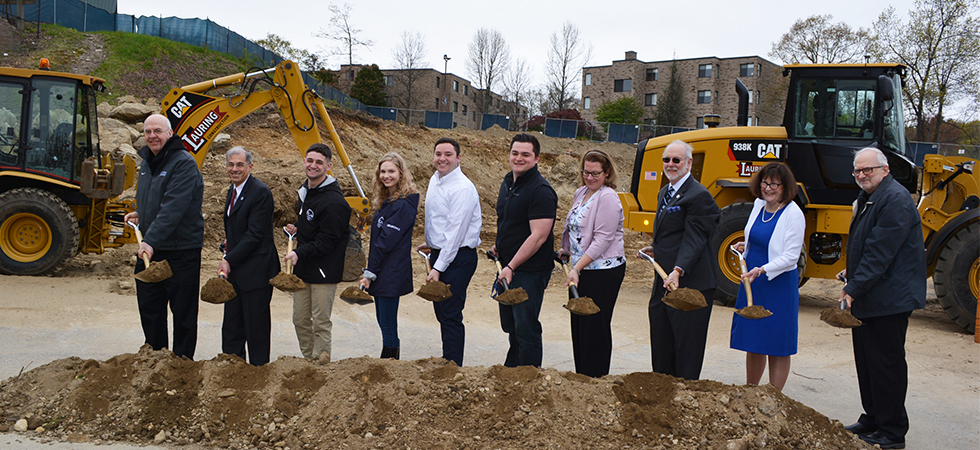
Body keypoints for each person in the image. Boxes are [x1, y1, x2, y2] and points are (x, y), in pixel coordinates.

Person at [838, 147, 925, 449]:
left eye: (868, 170)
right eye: (857, 171)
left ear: (885, 170)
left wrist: (853, 288)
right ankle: (873, 417)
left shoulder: (895, 200)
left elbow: (880, 253)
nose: (861, 175)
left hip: (889, 299)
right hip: (873, 295)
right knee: (868, 361)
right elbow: (869, 245)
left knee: (885, 364)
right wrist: (852, 272)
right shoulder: (871, 198)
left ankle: (891, 431)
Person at [123, 113, 204, 359]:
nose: (152, 136)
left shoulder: (183, 163)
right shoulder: (148, 161)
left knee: (183, 313)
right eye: (147, 132)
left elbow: (173, 208)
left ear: (170, 133)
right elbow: (154, 198)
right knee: (150, 309)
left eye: (157, 131)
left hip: (181, 250)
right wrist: (141, 213)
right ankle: (156, 358)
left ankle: (182, 364)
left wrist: (149, 240)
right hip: (154, 248)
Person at [640, 139, 720, 380]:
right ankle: (663, 390)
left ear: (689, 162)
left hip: (690, 282)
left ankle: (685, 395)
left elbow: (695, 238)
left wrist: (678, 269)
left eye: (676, 160)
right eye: (667, 159)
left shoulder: (699, 196)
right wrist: (656, 248)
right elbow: (674, 233)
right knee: (662, 339)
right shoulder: (665, 191)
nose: (671, 164)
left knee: (686, 347)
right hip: (665, 281)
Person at [729, 162, 805, 391]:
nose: (768, 188)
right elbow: (760, 238)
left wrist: (762, 270)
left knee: (777, 340)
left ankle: (774, 395)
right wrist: (747, 245)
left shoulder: (793, 213)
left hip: (776, 282)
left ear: (785, 187)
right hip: (753, 281)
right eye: (764, 182)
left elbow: (791, 257)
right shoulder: (758, 206)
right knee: (754, 338)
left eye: (774, 184)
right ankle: (751, 390)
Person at [491, 133, 558, 368]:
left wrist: (511, 266)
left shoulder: (541, 191)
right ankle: (514, 369)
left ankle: (529, 376)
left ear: (537, 158)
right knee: (510, 324)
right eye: (515, 153)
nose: (519, 158)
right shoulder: (509, 181)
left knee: (526, 326)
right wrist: (500, 245)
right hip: (508, 266)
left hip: (529, 270)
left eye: (525, 154)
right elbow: (509, 221)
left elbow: (538, 236)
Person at [558, 149, 626, 378]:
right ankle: (582, 376)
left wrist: (577, 268)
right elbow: (575, 228)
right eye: (586, 172)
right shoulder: (581, 192)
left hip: (602, 271)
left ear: (606, 173)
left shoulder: (608, 197)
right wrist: (566, 251)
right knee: (579, 324)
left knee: (595, 326)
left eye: (595, 173)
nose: (590, 177)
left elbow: (602, 240)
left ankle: (596, 378)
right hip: (581, 269)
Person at [284, 143, 352, 362]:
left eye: (319, 162)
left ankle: (321, 362)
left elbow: (328, 240)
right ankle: (309, 361)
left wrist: (298, 253)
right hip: (304, 267)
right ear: (304, 162)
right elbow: (313, 224)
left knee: (320, 321)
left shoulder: (334, 202)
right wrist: (297, 227)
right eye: (310, 160)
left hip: (324, 269)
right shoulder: (306, 192)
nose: (313, 166)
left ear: (329, 166)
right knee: (300, 319)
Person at [417, 138, 481, 366]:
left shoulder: (462, 188)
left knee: (451, 314)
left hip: (458, 258)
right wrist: (432, 243)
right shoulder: (436, 180)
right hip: (441, 253)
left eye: (448, 154)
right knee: (442, 312)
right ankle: (448, 361)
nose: (442, 159)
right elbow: (438, 219)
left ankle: (453, 367)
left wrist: (437, 267)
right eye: (438, 154)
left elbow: (455, 234)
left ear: (459, 158)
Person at [218, 146, 280, 366]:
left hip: (256, 272)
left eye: (239, 165)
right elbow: (239, 228)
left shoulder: (260, 192)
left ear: (250, 166)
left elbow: (255, 235)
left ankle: (259, 373)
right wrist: (229, 245)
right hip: (237, 270)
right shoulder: (232, 190)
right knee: (232, 325)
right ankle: (233, 369)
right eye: (231, 164)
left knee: (256, 328)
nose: (234, 169)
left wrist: (228, 259)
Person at [360, 152, 419, 360]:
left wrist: (370, 272)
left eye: (391, 171)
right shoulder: (388, 201)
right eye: (383, 171)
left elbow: (385, 243)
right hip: (383, 269)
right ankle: (389, 360)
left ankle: (390, 362)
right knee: (383, 319)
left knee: (387, 322)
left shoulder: (402, 205)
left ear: (401, 174)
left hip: (390, 271)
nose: (386, 176)